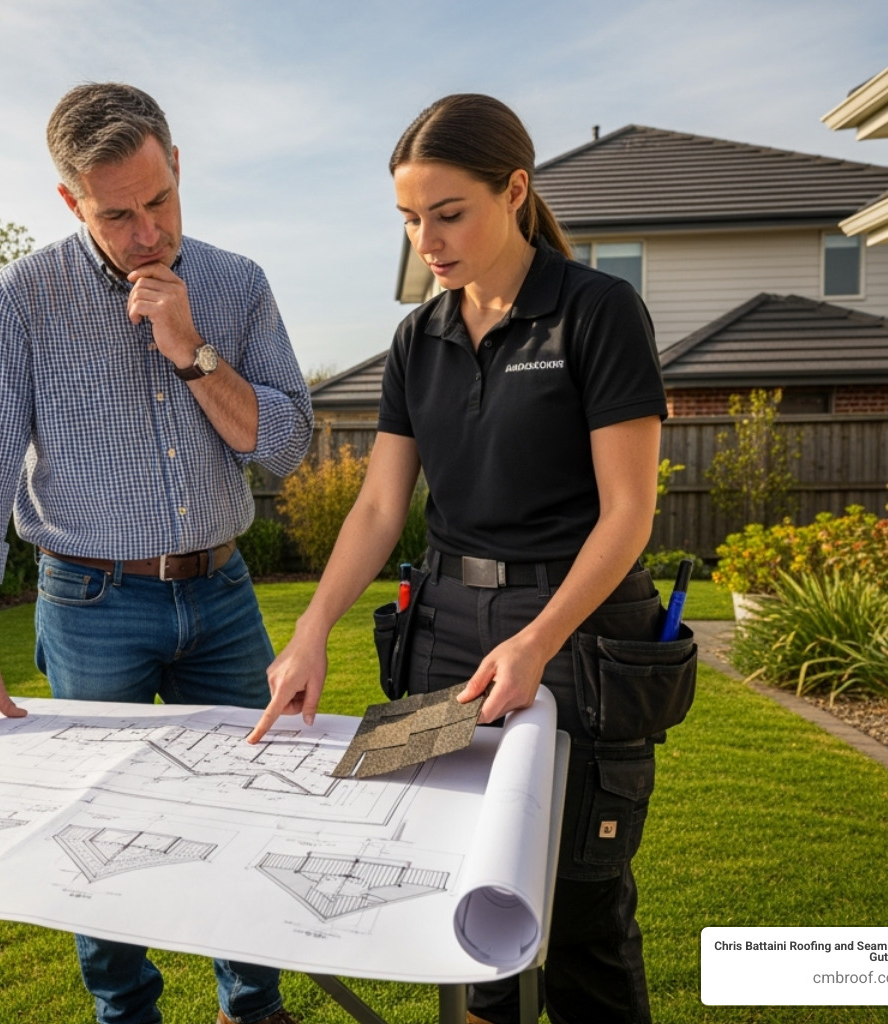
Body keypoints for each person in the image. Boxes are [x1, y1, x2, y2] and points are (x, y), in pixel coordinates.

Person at [248, 94, 671, 1024]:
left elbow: (629, 514)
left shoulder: (599, 312)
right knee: (460, 901)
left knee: (581, 915)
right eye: (409, 220)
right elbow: (377, 507)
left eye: (448, 214)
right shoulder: (417, 338)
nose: (426, 241)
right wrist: (311, 631)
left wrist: (536, 642)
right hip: (440, 638)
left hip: (577, 638)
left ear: (514, 191)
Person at [0, 83, 312, 1024]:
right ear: (70, 202)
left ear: (177, 165)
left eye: (159, 200)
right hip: (88, 603)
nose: (146, 231)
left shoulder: (238, 283)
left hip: (223, 595)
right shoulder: (22, 299)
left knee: (251, 803)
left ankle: (253, 1007)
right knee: (101, 832)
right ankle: (125, 1014)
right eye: (116, 214)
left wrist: (193, 349)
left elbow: (286, 442)